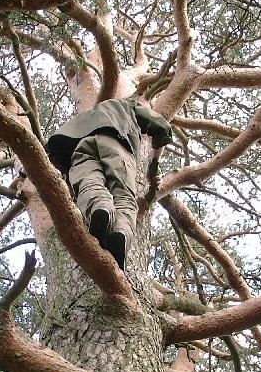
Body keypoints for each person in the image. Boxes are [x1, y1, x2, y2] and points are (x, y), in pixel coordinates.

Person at [47, 96, 173, 271]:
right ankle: (120, 232)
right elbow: (162, 127)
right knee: (123, 195)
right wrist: (154, 165)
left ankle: (100, 207)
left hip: (80, 149)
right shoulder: (128, 105)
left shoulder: (85, 117)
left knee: (88, 183)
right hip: (117, 145)